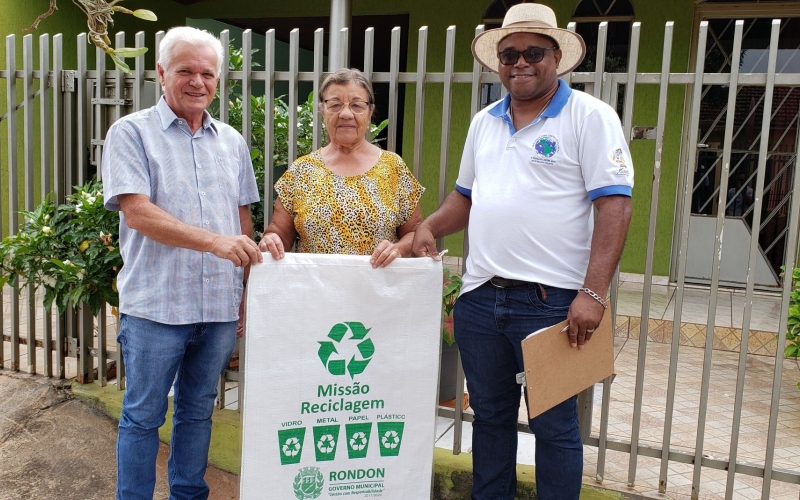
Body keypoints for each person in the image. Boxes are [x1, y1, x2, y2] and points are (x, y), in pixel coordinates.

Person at [412, 4, 633, 499]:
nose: (520, 63)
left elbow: (615, 207)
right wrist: (428, 225)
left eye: (534, 52)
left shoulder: (591, 118)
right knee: (489, 419)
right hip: (480, 299)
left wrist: (593, 293)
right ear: (498, 62)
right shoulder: (484, 122)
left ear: (557, 57)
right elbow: (464, 197)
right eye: (509, 54)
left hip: (553, 304)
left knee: (554, 428)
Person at [102, 26, 262, 500]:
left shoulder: (231, 141)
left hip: (216, 306)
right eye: (185, 71)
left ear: (218, 80)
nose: (198, 81)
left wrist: (245, 293)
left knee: (198, 410)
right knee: (143, 415)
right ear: (161, 73)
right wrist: (213, 242)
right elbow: (138, 211)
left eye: (207, 73)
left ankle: (188, 495)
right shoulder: (130, 133)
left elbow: (243, 219)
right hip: (156, 307)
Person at [259, 68, 423, 266]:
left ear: (370, 112)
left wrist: (398, 249)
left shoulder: (393, 167)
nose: (346, 114)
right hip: (315, 292)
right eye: (335, 105)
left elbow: (415, 233)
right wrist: (271, 240)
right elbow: (278, 232)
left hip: (377, 292)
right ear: (322, 110)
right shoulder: (302, 171)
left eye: (356, 105)